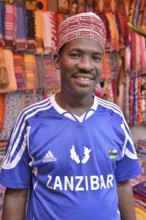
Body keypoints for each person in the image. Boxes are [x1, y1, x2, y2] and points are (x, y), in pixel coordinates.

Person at [0, 12, 141, 220]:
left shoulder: (115, 118)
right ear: (57, 60)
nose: (86, 65)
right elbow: (17, 193)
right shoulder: (31, 120)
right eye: (75, 54)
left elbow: (122, 183)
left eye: (95, 57)